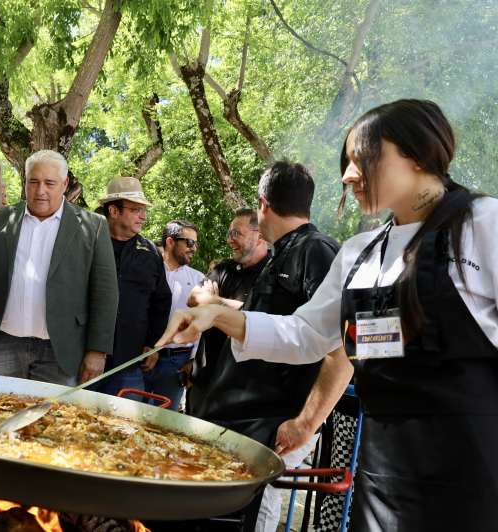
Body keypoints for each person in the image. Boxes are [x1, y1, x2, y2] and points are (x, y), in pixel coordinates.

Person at [157, 99, 498, 531]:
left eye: (361, 159)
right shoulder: (360, 253)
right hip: (382, 479)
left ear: (415, 153)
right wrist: (215, 318)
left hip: (476, 479)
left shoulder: (485, 224)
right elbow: (304, 335)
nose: (347, 176)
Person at [184, 163, 349, 532]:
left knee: (252, 518)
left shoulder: (318, 250)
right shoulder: (277, 256)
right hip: (232, 420)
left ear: (263, 205)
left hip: (268, 426)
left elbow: (341, 349)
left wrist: (306, 424)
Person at [0, 149, 118, 385]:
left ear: (64, 184)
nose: (40, 191)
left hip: (60, 351)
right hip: (2, 345)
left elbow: (105, 292)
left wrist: (97, 350)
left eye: (49, 183)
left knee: (51, 420)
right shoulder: (1, 219)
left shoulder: (93, 227)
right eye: (33, 182)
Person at [91, 176, 171, 399]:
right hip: (84, 360)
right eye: (136, 210)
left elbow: (161, 302)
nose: (143, 216)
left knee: (125, 429)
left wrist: (153, 344)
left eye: (144, 210)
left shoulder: (150, 253)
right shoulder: (86, 243)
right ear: (114, 211)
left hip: (129, 364)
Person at [187, 209, 270, 386]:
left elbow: (260, 319)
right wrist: (237, 307)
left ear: (260, 236)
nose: (228, 240)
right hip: (205, 376)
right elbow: (193, 298)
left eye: (235, 233)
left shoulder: (273, 272)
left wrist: (215, 302)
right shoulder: (225, 268)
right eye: (229, 233)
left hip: (240, 386)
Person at [144, 220, 204, 410]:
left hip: (177, 362)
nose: (194, 248)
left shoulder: (199, 280)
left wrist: (193, 360)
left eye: (196, 243)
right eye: (189, 242)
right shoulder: (146, 272)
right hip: (140, 356)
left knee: (164, 423)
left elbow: (202, 325)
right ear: (170, 242)